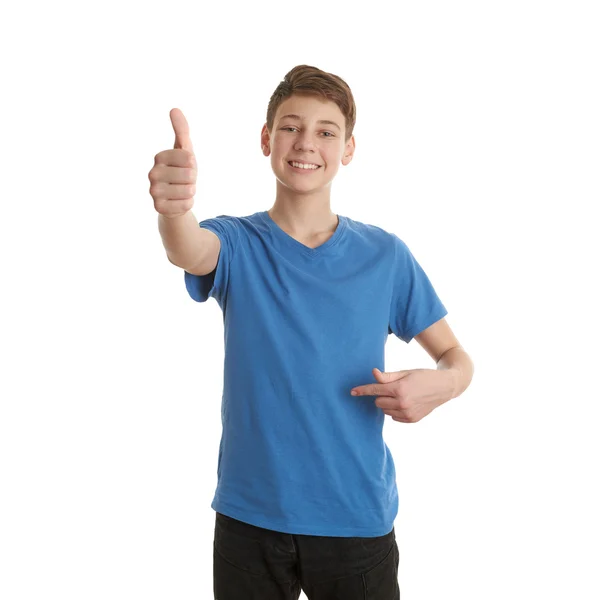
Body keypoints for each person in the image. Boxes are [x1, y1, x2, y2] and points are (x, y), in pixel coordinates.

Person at [149, 64, 474, 600]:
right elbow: (188, 247)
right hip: (249, 518)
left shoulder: (385, 256)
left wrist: (445, 384)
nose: (306, 143)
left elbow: (457, 357)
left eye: (326, 131)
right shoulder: (236, 242)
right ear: (266, 139)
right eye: (290, 126)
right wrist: (174, 210)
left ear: (347, 149)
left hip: (356, 521)